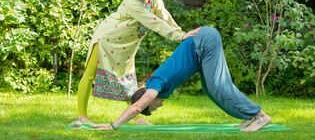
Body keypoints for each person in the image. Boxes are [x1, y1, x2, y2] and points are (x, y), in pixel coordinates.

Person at [77, 0, 200, 125]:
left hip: (125, 46)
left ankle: (137, 118)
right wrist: (179, 37)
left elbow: (165, 16)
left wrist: (181, 33)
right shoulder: (133, 1)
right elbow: (153, 22)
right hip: (106, 40)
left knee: (128, 83)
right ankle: (82, 117)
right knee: (90, 74)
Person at [92, 26, 272, 132]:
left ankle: (261, 116)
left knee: (218, 85)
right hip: (200, 48)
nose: (159, 106)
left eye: (153, 107)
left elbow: (137, 106)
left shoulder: (154, 85)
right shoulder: (156, 85)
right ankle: (247, 116)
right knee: (210, 89)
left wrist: (113, 126)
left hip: (203, 42)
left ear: (150, 100)